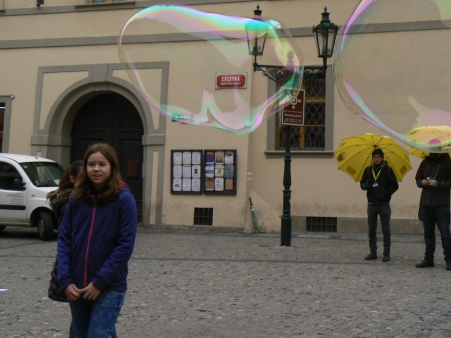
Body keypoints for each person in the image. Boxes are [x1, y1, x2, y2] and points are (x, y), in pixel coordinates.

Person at [57, 143, 137, 337]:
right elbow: (64, 240)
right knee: (82, 333)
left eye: (102, 164)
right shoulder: (77, 197)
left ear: (112, 167)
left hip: (109, 285)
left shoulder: (123, 199)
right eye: (91, 164)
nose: (96, 169)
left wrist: (99, 282)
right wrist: (66, 280)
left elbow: (124, 246)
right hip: (77, 285)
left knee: (99, 334)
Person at [47, 160, 83, 338]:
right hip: (75, 264)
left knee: (91, 319)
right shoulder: (71, 203)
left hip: (76, 265)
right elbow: (65, 240)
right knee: (83, 319)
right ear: (73, 179)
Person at [360, 148, 399, 262]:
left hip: (384, 204)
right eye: (374, 157)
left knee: (386, 229)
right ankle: (373, 252)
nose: (376, 159)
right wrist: (365, 185)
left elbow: (395, 185)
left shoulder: (388, 170)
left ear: (382, 158)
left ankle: (386, 253)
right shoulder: (368, 170)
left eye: (378, 157)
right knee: (372, 229)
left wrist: (386, 193)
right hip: (372, 203)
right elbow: (362, 183)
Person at [415, 152, 451, 270]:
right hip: (426, 203)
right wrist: (422, 182)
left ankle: (449, 259)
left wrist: (438, 184)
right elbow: (418, 179)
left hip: (441, 204)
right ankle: (429, 259)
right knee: (428, 234)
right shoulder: (425, 162)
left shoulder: (447, 163)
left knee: (445, 234)